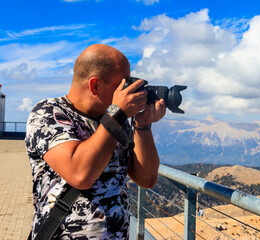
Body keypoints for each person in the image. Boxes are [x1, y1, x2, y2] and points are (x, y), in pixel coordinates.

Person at [25, 44, 166, 239]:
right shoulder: (48, 113)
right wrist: (116, 114)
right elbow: (80, 174)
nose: (127, 91)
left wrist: (143, 126)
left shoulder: (116, 118)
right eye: (122, 85)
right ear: (95, 86)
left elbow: (146, 179)